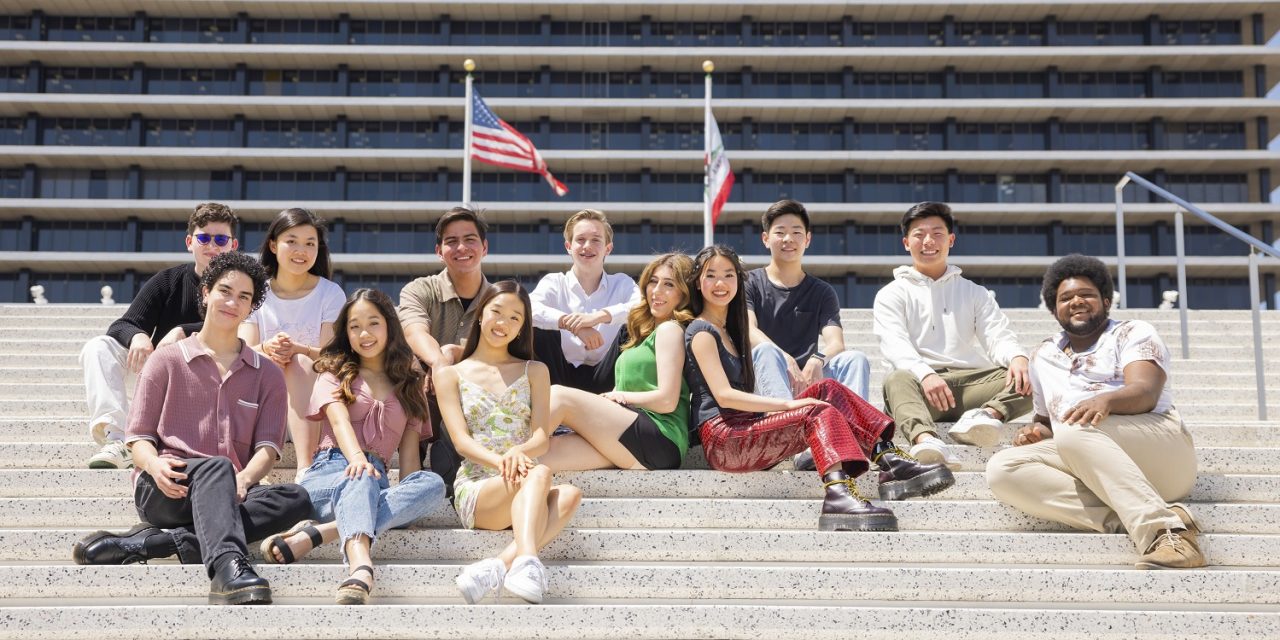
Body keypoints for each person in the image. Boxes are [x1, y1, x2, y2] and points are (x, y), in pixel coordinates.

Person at [71, 252, 311, 606]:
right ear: (205, 293)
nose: (233, 303)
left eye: (244, 297)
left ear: (252, 308)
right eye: (225, 291)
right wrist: (154, 466)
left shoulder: (268, 374)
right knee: (216, 467)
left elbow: (268, 449)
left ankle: (157, 544)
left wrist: (243, 480)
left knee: (297, 498)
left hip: (230, 487)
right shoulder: (166, 361)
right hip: (167, 486)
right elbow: (138, 438)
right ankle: (228, 568)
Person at [683, 246, 953, 532]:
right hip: (725, 441)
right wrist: (787, 405)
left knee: (827, 388)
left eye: (728, 275)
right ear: (699, 282)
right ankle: (837, 494)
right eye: (711, 275)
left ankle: (889, 458)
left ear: (738, 281)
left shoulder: (730, 330)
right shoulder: (701, 331)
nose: (720, 283)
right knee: (814, 411)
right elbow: (723, 395)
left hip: (744, 429)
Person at [987, 255, 1202, 569]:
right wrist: (1035, 433)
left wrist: (1106, 401)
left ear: (1105, 300)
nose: (1076, 301)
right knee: (1002, 469)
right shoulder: (1043, 355)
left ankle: (1169, 535)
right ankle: (1151, 518)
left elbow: (1146, 391)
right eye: (1065, 298)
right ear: (1053, 310)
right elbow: (1046, 422)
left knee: (1076, 429)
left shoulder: (1132, 332)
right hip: (1091, 457)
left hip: (1161, 451)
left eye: (1086, 295)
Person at [257, 289, 446, 604]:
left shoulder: (410, 382)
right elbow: (340, 422)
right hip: (328, 476)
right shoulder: (335, 371)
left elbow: (411, 459)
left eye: (373, 323)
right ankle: (360, 566)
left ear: (389, 326)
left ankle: (321, 533)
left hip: (375, 483)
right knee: (361, 476)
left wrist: (409, 501)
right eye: (354, 326)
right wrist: (358, 460)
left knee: (433, 483)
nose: (364, 333)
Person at [434, 281, 582, 605]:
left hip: (523, 476)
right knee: (540, 475)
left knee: (570, 493)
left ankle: (496, 568)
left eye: (515, 318)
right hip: (478, 485)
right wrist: (502, 462)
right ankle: (528, 562)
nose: (503, 323)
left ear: (521, 328)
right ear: (480, 314)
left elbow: (541, 438)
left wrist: (518, 451)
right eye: (497, 312)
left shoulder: (535, 370)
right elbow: (460, 442)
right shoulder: (450, 374)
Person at [80, 202, 240, 469]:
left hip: (211, 379)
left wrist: (183, 331)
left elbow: (241, 327)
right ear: (190, 242)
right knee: (99, 347)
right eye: (204, 238)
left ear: (232, 245)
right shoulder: (167, 281)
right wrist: (138, 336)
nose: (212, 245)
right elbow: (123, 324)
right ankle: (119, 439)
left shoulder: (242, 285)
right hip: (158, 373)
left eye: (221, 239)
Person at [873, 201, 1033, 468]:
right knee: (896, 378)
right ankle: (926, 441)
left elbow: (997, 334)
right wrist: (926, 374)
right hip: (918, 391)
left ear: (951, 239)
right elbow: (895, 345)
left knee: (1035, 374)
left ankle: (987, 414)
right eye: (919, 234)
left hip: (971, 387)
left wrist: (1017, 357)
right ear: (905, 242)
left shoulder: (974, 292)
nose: (928, 241)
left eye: (937, 233)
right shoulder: (892, 293)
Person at [745, 199, 871, 471]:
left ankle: (849, 442)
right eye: (779, 232)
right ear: (766, 239)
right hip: (768, 385)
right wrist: (785, 358)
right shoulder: (750, 283)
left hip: (807, 381)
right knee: (766, 351)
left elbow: (836, 342)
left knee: (855, 359)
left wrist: (816, 359)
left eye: (796, 232)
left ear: (808, 239)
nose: (788, 238)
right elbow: (749, 329)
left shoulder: (822, 291)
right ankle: (793, 442)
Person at [539, 252, 694, 472]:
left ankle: (507, 449)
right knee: (542, 456)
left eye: (669, 284)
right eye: (653, 281)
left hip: (660, 438)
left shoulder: (670, 330)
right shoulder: (640, 335)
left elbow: (667, 401)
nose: (657, 291)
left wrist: (619, 397)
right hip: (630, 438)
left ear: (684, 293)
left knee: (559, 395)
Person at [239, 208, 345, 477]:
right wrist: (268, 348)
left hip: (312, 406)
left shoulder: (329, 293)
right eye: (292, 241)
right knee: (272, 361)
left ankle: (305, 468)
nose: (302, 250)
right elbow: (242, 351)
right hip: (262, 401)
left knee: (298, 362)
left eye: (310, 243)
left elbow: (331, 357)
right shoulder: (256, 292)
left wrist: (300, 350)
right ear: (273, 245)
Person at [398, 207, 493, 479]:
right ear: (439, 251)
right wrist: (439, 361)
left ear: (484, 247)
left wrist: (455, 353)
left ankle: (453, 460)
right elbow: (413, 332)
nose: (461, 247)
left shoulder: (499, 298)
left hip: (478, 394)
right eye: (451, 241)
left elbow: (504, 354)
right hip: (425, 390)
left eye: (470, 239)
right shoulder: (419, 289)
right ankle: (414, 466)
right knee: (413, 366)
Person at [530, 209, 640, 393]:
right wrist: (575, 325)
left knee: (633, 325)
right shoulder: (554, 282)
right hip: (558, 375)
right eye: (580, 240)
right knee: (539, 328)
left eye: (596, 240)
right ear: (568, 246)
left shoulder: (622, 283)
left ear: (608, 248)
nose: (587, 246)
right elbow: (529, 308)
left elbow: (641, 307)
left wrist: (598, 317)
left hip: (607, 375)